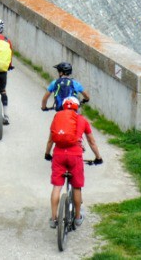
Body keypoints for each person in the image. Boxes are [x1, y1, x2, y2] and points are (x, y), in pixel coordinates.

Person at [44, 97, 103, 228]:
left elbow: (50, 140)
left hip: (59, 154)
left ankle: (54, 219)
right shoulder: (82, 120)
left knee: (56, 187)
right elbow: (91, 142)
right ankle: (77, 218)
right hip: (75, 155)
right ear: (77, 107)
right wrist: (98, 157)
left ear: (64, 107)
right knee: (76, 187)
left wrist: (47, 154)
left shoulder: (57, 118)